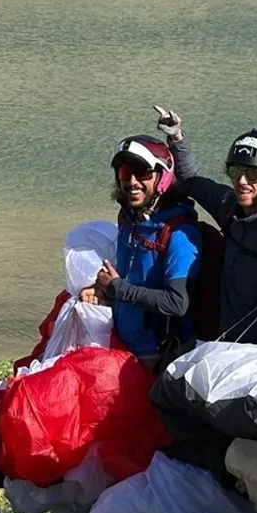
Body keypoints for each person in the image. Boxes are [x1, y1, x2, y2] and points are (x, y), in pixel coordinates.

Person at [156, 108, 257, 344]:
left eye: (252, 174)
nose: (241, 182)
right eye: (235, 171)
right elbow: (192, 180)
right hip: (225, 343)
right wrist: (177, 138)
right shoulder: (229, 207)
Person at [81, 135, 201, 371]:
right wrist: (102, 289)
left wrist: (117, 288)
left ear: (162, 177)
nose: (132, 182)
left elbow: (177, 303)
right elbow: (129, 274)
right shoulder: (128, 218)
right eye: (126, 173)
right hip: (121, 346)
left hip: (158, 359)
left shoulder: (180, 234)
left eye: (142, 173)